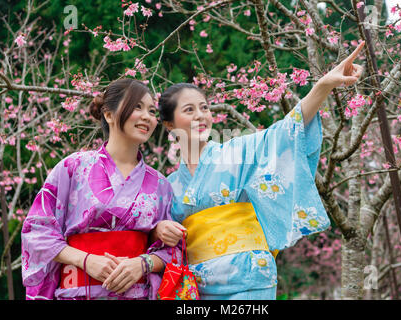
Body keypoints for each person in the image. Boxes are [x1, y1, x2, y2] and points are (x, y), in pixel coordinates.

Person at [155, 42, 365, 299]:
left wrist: (323, 85)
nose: (201, 115)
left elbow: (285, 133)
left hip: (248, 277)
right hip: (197, 286)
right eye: (189, 110)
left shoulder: (237, 152)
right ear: (169, 124)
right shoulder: (168, 184)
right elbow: (157, 234)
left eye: (205, 107)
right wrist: (160, 229)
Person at [21, 78, 175, 300]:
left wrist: (143, 263)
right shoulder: (73, 167)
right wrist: (85, 260)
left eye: (152, 111)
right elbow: (36, 231)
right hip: (78, 292)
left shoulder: (161, 184)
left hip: (137, 294)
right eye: (137, 107)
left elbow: (173, 250)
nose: (147, 117)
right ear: (109, 114)